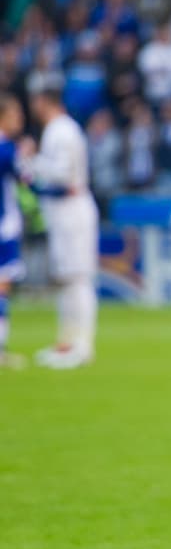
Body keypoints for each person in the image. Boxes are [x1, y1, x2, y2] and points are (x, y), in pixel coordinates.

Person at [20, 84, 98, 368]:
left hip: (72, 208)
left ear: (45, 100)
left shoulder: (62, 130)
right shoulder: (57, 130)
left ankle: (82, 344)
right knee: (66, 279)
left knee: (78, 278)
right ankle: (67, 343)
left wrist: (31, 163)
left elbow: (63, 177)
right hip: (61, 211)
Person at [0, 94, 26, 369]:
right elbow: (29, 179)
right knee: (2, 285)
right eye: (15, 115)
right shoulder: (7, 150)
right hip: (4, 227)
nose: (20, 120)